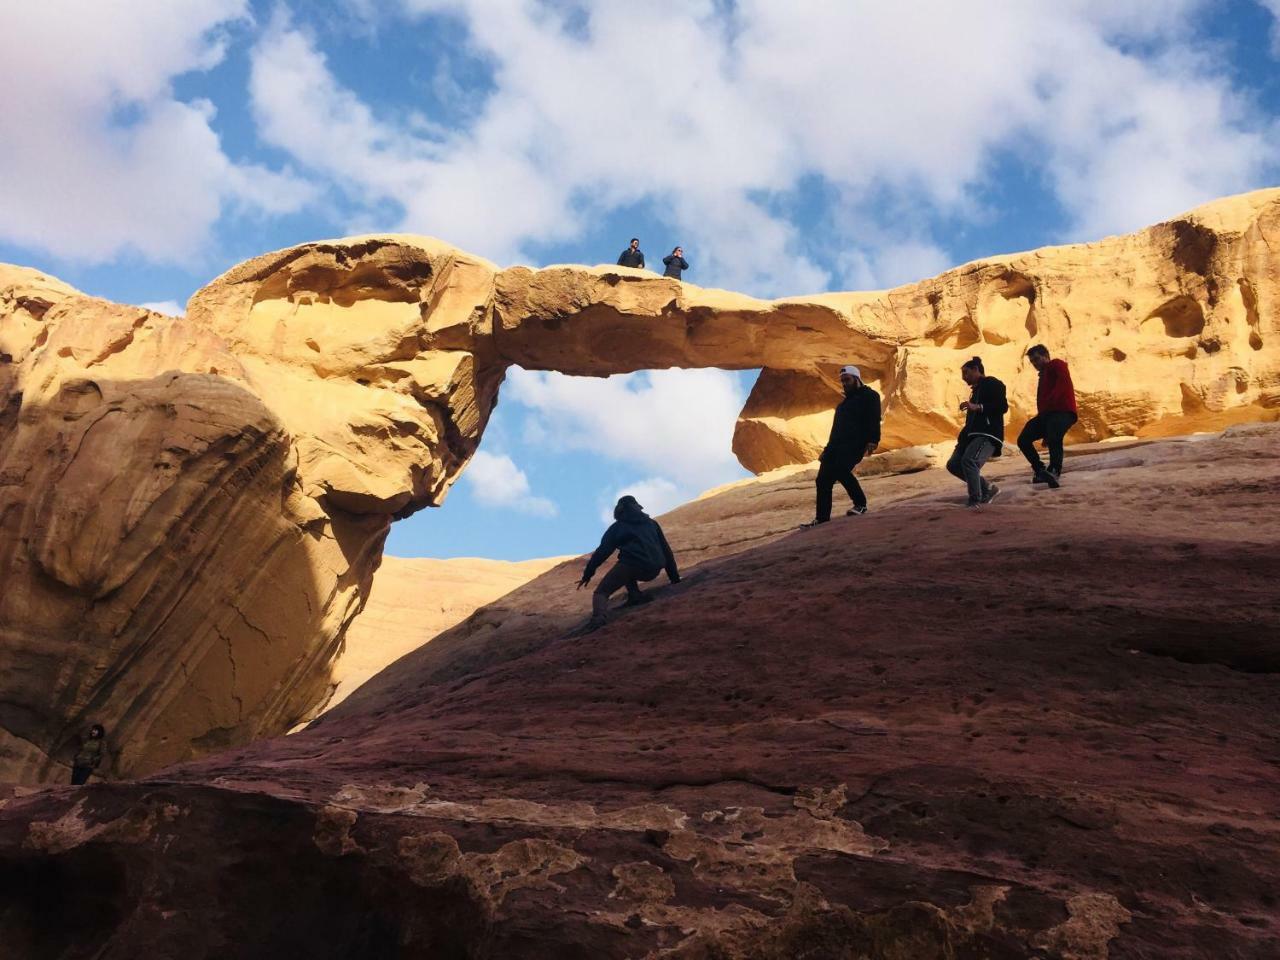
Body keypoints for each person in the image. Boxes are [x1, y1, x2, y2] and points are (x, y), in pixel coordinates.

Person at [578, 495, 680, 629]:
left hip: (633, 564)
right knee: (624, 565)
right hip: (655, 567)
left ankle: (598, 619)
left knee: (601, 592)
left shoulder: (618, 527)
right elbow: (666, 550)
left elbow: (602, 552)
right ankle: (635, 595)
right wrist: (674, 578)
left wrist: (588, 574)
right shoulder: (652, 523)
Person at [801, 365, 881, 528]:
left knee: (841, 470)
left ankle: (861, 504)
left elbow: (874, 418)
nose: (844, 383)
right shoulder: (843, 405)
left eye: (847, 380)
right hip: (835, 446)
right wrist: (827, 450)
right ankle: (822, 519)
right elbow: (835, 430)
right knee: (822, 480)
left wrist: (873, 440)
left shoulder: (870, 396)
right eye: (843, 381)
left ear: (856, 379)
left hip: (856, 443)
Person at [947, 356, 1008, 509]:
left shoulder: (992, 383)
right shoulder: (975, 392)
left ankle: (975, 499)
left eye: (966, 373)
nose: (964, 378)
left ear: (976, 369)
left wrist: (978, 407)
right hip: (971, 436)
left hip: (987, 434)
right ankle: (988, 488)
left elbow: (1002, 406)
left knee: (970, 461)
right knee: (954, 464)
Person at [1017, 345, 1077, 487]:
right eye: (1032, 362)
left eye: (1037, 359)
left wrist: (1049, 429)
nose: (1035, 364)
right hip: (1047, 416)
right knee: (1023, 439)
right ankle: (1040, 470)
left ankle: (1054, 471)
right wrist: (1046, 430)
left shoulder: (1056, 364)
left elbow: (1061, 385)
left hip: (1062, 411)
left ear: (1046, 355)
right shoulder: (1042, 375)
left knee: (1054, 438)